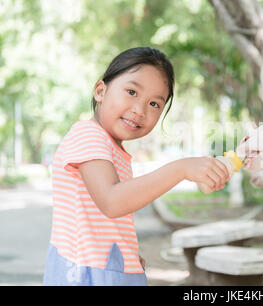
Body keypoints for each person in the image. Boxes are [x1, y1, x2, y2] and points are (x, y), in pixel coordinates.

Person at [43, 47, 230, 286]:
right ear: (101, 91)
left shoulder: (112, 149)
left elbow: (103, 219)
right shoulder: (88, 135)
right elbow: (112, 202)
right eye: (131, 91)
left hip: (111, 270)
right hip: (87, 275)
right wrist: (180, 169)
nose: (139, 110)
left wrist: (126, 252)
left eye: (154, 104)